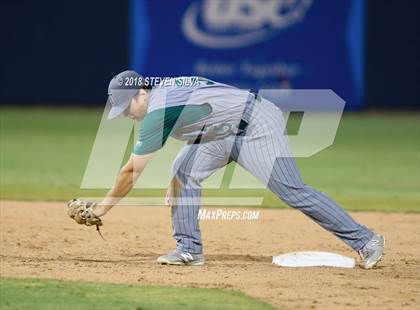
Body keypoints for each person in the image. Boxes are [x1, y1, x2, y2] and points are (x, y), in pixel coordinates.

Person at [68, 70, 385, 269]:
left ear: (141, 93)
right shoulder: (160, 95)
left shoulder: (157, 110)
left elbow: (130, 173)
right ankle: (189, 250)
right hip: (221, 132)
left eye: (128, 107)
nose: (127, 115)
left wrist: (101, 208)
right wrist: (176, 179)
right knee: (182, 173)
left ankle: (366, 240)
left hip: (255, 124)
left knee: (293, 191)